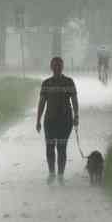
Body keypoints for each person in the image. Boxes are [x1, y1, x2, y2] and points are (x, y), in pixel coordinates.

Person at [36, 57, 79, 185]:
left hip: (65, 121)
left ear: (62, 67)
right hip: (49, 120)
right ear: (51, 67)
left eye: (59, 66)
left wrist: (76, 116)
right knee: (49, 147)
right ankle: (51, 173)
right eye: (55, 66)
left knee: (61, 148)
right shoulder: (46, 83)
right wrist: (38, 120)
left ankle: (60, 175)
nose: (57, 68)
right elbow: (42, 102)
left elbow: (75, 100)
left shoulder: (69, 82)